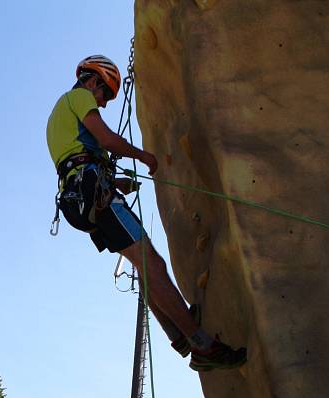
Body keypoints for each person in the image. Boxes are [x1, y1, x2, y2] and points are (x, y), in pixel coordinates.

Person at [46, 55, 246, 371]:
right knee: (152, 263)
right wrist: (143, 157)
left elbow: (77, 158)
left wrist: (121, 183)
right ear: (94, 80)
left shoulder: (57, 115)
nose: (105, 102)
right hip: (95, 195)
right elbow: (107, 140)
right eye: (106, 93)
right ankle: (200, 342)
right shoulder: (79, 96)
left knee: (144, 265)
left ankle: (177, 333)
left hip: (80, 200)